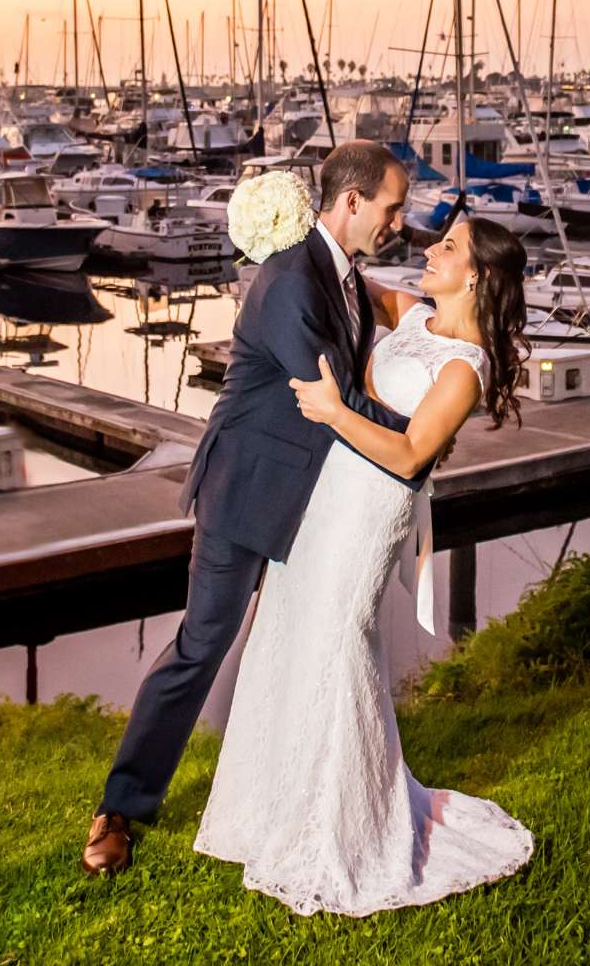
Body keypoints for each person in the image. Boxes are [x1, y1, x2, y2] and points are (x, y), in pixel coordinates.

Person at [84, 140, 415, 878]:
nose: (400, 221)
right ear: (353, 202)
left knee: (313, 643)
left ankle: (308, 789)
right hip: (246, 489)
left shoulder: (343, 273)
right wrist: (420, 437)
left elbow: (370, 326)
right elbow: (331, 396)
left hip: (315, 500)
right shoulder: (292, 279)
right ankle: (121, 807)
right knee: (202, 646)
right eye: (393, 207)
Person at [192, 214, 535, 915]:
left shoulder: (467, 366)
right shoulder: (412, 313)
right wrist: (291, 238)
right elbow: (346, 281)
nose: (430, 251)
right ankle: (265, 810)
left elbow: (411, 454)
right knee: (286, 635)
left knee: (336, 647)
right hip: (322, 496)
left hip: (370, 509)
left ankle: (343, 829)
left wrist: (328, 409)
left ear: (475, 275)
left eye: (448, 246)